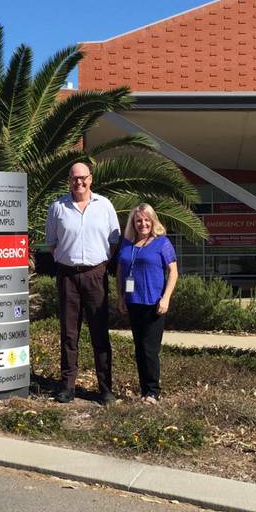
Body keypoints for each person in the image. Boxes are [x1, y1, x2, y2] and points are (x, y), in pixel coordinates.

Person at [45, 162, 121, 405]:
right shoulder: (57, 207)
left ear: (91, 179)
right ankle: (67, 386)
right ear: (69, 180)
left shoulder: (105, 205)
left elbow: (114, 241)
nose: (79, 182)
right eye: (74, 178)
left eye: (83, 178)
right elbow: (51, 242)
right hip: (67, 276)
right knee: (69, 333)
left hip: (96, 275)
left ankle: (106, 389)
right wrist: (66, 259)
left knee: (99, 332)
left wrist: (98, 264)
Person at [116, 203, 178, 404]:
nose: (142, 224)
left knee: (150, 349)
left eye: (146, 220)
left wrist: (166, 297)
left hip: (154, 302)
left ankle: (153, 392)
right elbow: (120, 272)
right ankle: (145, 390)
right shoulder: (127, 244)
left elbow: (173, 272)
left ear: (153, 221)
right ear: (133, 223)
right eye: (138, 220)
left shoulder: (162, 243)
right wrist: (121, 297)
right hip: (133, 302)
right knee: (139, 348)